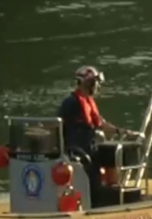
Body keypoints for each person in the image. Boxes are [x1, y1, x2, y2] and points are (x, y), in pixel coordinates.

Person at [58, 66, 141, 205]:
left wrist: (122, 131)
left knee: (111, 154)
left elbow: (100, 123)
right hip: (78, 152)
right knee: (92, 179)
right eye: (95, 82)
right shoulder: (71, 103)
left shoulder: (88, 102)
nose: (97, 86)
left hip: (90, 149)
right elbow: (59, 125)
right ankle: (94, 203)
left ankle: (115, 191)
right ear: (87, 82)